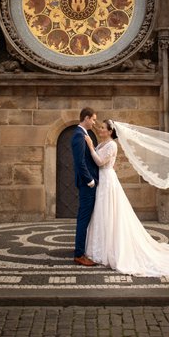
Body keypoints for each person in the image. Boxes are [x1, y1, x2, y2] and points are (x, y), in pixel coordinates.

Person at [84, 120, 169, 277]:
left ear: (109, 131)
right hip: (103, 180)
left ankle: (110, 250)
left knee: (109, 213)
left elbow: (101, 162)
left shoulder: (112, 145)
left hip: (108, 181)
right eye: (100, 127)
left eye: (102, 128)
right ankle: (100, 248)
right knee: (102, 213)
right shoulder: (102, 144)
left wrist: (89, 146)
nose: (99, 129)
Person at [71, 107, 98, 266]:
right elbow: (79, 163)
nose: (94, 122)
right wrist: (90, 181)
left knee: (86, 218)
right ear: (86, 118)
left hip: (90, 184)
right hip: (87, 185)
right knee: (83, 219)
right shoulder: (78, 136)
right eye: (93, 119)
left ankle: (82, 249)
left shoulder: (83, 135)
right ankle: (79, 254)